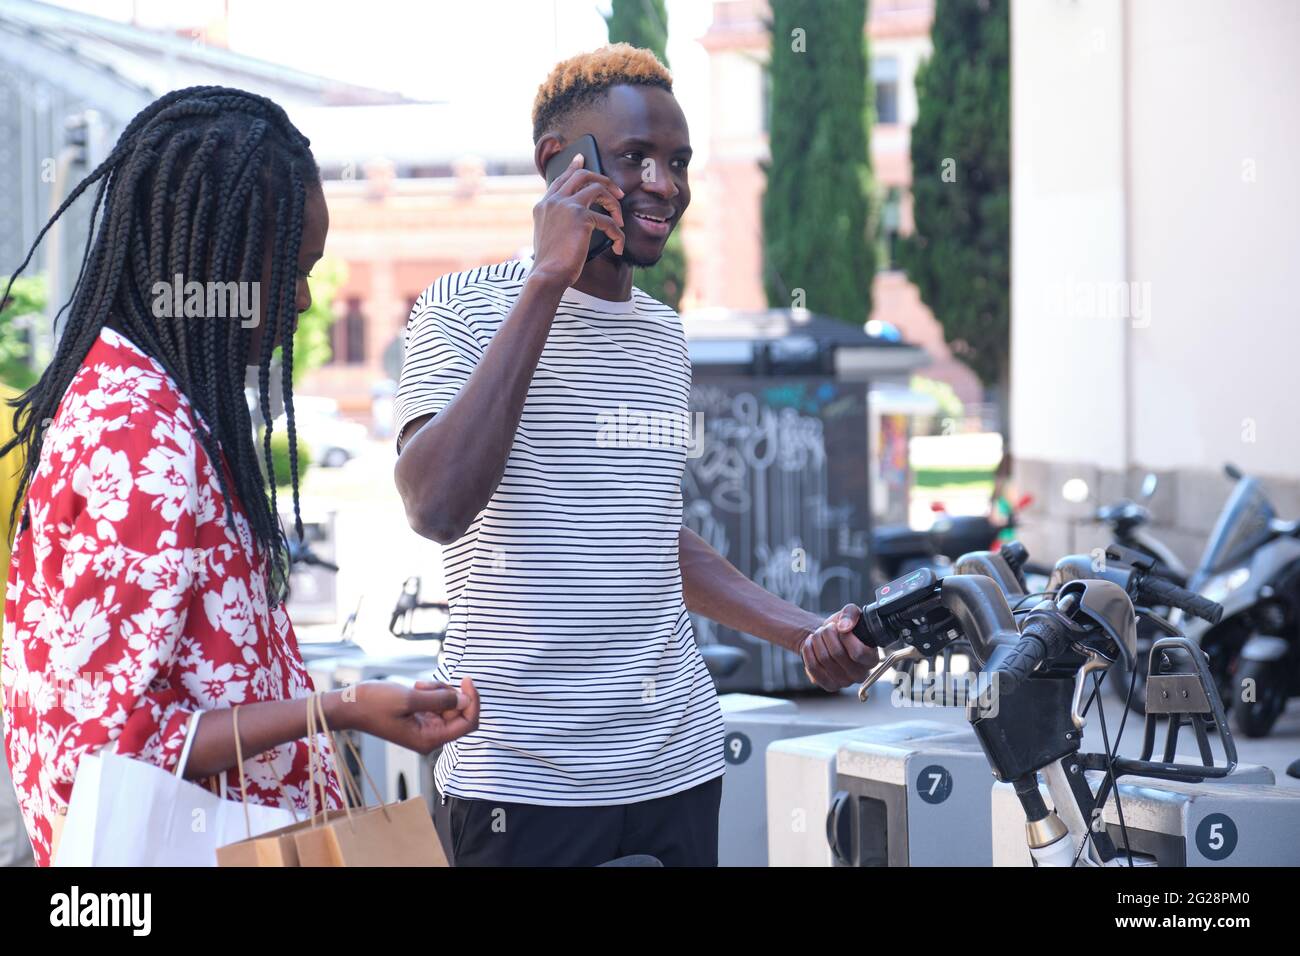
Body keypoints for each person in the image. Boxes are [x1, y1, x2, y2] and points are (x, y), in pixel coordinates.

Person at [393, 45, 876, 867]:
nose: (665, 184)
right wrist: (547, 280)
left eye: (678, 163)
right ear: (560, 162)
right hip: (522, 782)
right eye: (635, 158)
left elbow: (647, 535)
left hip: (676, 765)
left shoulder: (662, 335)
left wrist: (805, 633)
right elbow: (435, 506)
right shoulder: (461, 309)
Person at [0, 87, 479, 867]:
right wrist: (340, 709)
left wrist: (331, 705)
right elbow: (115, 745)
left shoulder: (154, 403)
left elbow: (199, 680)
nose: (306, 299)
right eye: (293, 269)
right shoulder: (138, 436)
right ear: (214, 262)